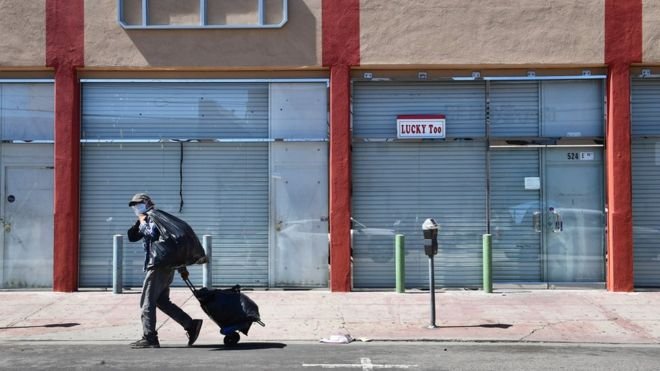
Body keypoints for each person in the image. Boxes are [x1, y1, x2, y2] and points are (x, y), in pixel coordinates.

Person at [127, 193, 203, 349]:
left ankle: (149, 337)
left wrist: (142, 221)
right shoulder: (154, 217)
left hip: (157, 267)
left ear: (147, 202)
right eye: (134, 205)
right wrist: (138, 222)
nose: (136, 207)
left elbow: (153, 234)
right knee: (162, 302)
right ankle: (190, 324)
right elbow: (134, 237)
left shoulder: (152, 217)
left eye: (138, 204)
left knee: (147, 303)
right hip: (165, 266)